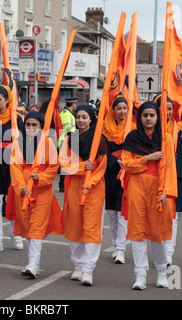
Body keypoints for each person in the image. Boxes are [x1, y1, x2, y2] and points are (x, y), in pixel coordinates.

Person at [120, 101, 177, 290]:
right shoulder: (132, 137)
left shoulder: (165, 138)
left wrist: (166, 192)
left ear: (157, 117)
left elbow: (170, 167)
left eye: (152, 115)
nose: (148, 119)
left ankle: (162, 272)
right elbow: (127, 164)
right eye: (145, 115)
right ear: (140, 117)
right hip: (137, 186)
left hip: (158, 189)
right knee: (137, 233)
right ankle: (140, 275)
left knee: (157, 234)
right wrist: (147, 158)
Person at [59, 105, 108, 286]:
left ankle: (88, 268)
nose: (80, 120)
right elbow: (63, 164)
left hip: (94, 188)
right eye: (78, 117)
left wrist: (90, 181)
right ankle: (78, 265)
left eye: (84, 117)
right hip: (74, 186)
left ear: (91, 119)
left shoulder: (99, 140)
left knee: (91, 227)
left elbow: (101, 167)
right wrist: (81, 168)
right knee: (75, 225)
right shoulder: (69, 139)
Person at [10, 111, 62, 279]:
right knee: (27, 226)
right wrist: (21, 186)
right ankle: (32, 262)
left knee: (37, 227)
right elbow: (15, 166)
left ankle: (33, 264)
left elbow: (53, 167)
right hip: (23, 192)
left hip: (42, 192)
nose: (31, 128)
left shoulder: (48, 143)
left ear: (41, 127)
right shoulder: (18, 143)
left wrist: (42, 178)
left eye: (35, 125)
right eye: (28, 125)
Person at [0, 85, 24, 253]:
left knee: (13, 200)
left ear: (8, 100)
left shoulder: (16, 119)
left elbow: (25, 141)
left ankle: (16, 234)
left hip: (12, 163)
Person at [156, 94, 182, 266]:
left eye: (170, 109)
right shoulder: (151, 129)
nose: (168, 112)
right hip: (154, 178)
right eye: (164, 108)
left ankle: (169, 251)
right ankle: (160, 249)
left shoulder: (180, 129)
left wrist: (180, 180)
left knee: (172, 216)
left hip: (174, 178)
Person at [102, 95, 134, 264]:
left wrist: (126, 161)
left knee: (122, 214)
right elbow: (101, 152)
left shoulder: (132, 128)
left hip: (126, 174)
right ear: (113, 110)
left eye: (125, 108)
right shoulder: (104, 129)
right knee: (112, 214)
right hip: (109, 172)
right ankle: (115, 245)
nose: (122, 111)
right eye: (119, 108)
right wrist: (115, 160)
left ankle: (121, 249)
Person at [57, 96, 77, 192]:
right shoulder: (66, 114)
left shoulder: (67, 113)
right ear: (73, 104)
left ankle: (64, 184)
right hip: (64, 141)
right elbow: (69, 129)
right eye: (75, 104)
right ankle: (62, 185)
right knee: (64, 165)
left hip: (66, 140)